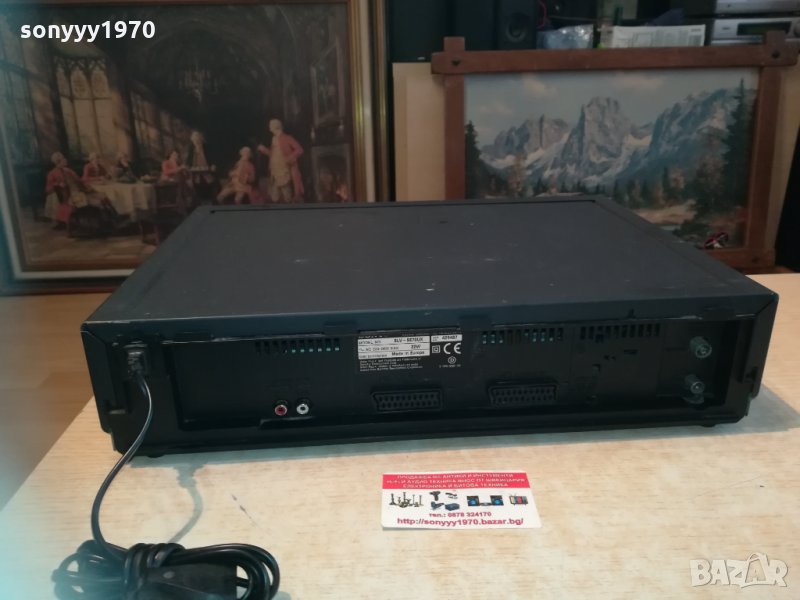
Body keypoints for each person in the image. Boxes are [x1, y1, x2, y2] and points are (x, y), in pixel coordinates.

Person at [257, 118, 304, 203]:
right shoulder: (273, 139)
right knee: (274, 196)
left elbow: (299, 149)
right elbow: (273, 155)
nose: (269, 128)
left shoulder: (287, 138)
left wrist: (289, 158)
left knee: (286, 193)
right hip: (274, 170)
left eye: (270, 126)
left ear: (276, 127)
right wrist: (264, 150)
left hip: (283, 169)